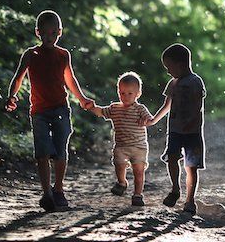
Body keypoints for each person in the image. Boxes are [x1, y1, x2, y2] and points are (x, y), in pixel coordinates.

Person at [4, 10, 94, 212]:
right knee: (42, 152)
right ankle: (46, 193)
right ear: (37, 33)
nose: (49, 37)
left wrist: (81, 99)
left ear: (59, 32)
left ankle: (59, 189)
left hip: (61, 108)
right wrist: (12, 95)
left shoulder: (63, 55)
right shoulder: (31, 54)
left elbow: (70, 79)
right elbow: (18, 77)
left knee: (60, 151)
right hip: (39, 112)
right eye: (44, 33)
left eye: (53, 33)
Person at [144, 43, 206, 215]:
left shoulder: (195, 82)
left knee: (191, 166)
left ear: (180, 64)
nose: (168, 71)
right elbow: (166, 105)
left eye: (169, 67)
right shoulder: (172, 84)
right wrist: (154, 120)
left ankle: (190, 200)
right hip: (175, 131)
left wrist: (191, 121)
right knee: (172, 158)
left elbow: (197, 105)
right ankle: (175, 189)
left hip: (192, 132)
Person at [88, 72, 153, 207]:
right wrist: (92, 108)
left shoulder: (140, 109)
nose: (125, 96)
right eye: (122, 93)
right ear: (118, 92)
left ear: (138, 94)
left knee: (138, 171)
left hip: (139, 147)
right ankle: (122, 182)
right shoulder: (114, 108)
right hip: (121, 146)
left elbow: (150, 119)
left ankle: (137, 194)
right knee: (119, 164)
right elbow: (101, 112)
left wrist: (145, 120)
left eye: (130, 93)